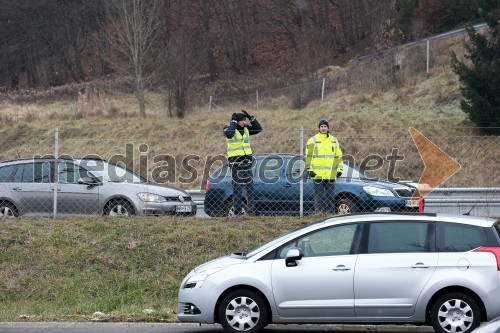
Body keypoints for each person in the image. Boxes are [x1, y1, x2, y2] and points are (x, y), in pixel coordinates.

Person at [223, 110, 262, 216]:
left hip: (246, 160)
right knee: (237, 187)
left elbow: (258, 129)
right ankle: (238, 211)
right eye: (242, 120)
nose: (244, 122)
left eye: (245, 120)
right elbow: (230, 134)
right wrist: (233, 122)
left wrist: (252, 118)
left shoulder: (246, 129)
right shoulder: (227, 128)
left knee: (250, 186)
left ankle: (251, 211)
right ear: (236, 121)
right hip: (235, 162)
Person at [305, 119, 343, 214]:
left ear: (328, 128)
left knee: (330, 196)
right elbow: (308, 156)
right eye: (321, 126)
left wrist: (339, 169)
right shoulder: (312, 140)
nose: (323, 128)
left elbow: (338, 156)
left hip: (331, 173)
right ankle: (319, 214)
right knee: (319, 196)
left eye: (325, 126)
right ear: (319, 128)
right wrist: (309, 169)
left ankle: (330, 214)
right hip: (318, 174)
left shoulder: (334, 140)